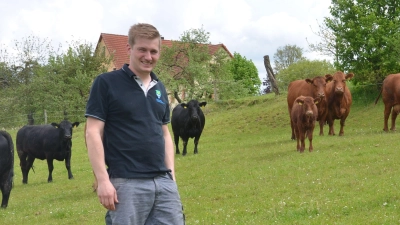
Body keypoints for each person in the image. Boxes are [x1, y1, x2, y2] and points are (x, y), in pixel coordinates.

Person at [85, 23, 185, 225]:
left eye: (153, 51)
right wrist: (103, 180)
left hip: (163, 182)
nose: (148, 56)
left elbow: (164, 133)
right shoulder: (106, 83)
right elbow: (93, 132)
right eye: (142, 49)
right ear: (129, 49)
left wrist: (171, 176)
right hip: (126, 182)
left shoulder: (160, 88)